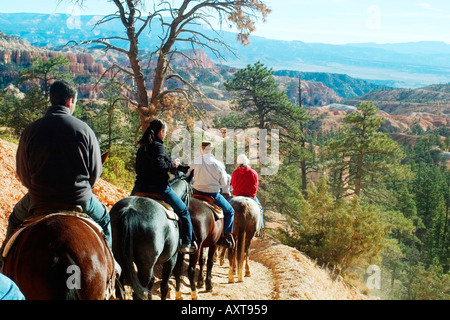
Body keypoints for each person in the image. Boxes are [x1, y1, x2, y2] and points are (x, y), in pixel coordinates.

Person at [5, 80, 112, 247]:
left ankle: (3, 264)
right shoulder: (85, 130)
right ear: (70, 101)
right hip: (79, 198)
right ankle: (113, 268)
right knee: (105, 218)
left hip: (39, 198)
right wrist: (81, 189)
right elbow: (95, 172)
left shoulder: (30, 130)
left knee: (14, 219)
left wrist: (36, 189)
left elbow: (23, 172)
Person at [131, 119, 197, 254]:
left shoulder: (142, 147)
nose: (165, 135)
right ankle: (186, 242)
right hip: (158, 188)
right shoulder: (158, 146)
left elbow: (141, 166)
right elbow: (161, 166)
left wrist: (176, 166)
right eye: (165, 132)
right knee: (184, 211)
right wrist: (172, 165)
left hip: (139, 187)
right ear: (161, 132)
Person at [187, 142, 235, 248]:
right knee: (230, 211)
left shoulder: (195, 161)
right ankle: (226, 236)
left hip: (195, 193)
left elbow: (187, 175)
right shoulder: (218, 164)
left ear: (201, 150)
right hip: (213, 195)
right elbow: (223, 183)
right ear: (211, 151)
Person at [231, 154, 264, 229]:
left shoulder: (235, 173)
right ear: (247, 162)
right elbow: (255, 185)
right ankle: (261, 227)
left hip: (237, 196)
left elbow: (233, 184)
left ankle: (224, 229)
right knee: (260, 209)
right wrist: (252, 194)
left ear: (238, 163)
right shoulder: (253, 172)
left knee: (226, 208)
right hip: (250, 196)